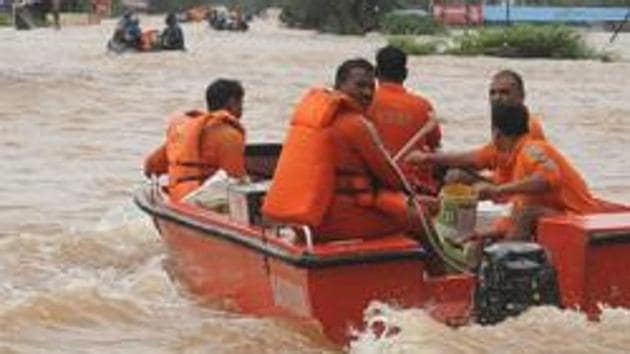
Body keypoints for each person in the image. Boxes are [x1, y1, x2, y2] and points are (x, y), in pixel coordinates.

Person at [410, 102, 628, 241]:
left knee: (527, 213)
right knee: (501, 226)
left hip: (580, 218)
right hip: (554, 215)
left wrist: (496, 190)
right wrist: (478, 235)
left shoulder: (533, 149)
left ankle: (503, 282)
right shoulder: (510, 154)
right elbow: (468, 158)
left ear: (496, 133)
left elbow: (546, 179)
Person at [263, 58, 425, 242]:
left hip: (302, 221)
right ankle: (443, 271)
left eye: (372, 87)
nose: (367, 93)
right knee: (420, 217)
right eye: (360, 85)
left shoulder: (311, 117)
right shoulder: (355, 124)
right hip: (338, 220)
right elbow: (393, 180)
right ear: (338, 86)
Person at [433, 70, 547, 189]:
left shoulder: (527, 126)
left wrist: (429, 158)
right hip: (502, 182)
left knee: (454, 175)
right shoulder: (502, 122)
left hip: (514, 189)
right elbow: (484, 157)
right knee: (443, 164)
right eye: (492, 93)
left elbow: (537, 178)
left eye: (504, 93)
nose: (496, 98)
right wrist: (431, 158)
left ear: (521, 96)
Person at [143, 79, 248, 201]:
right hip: (202, 207)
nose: (242, 109)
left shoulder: (184, 130)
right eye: (241, 103)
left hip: (177, 201)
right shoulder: (230, 136)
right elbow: (237, 182)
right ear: (232, 102)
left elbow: (150, 167)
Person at [367, 45, 442, 195]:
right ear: (405, 74)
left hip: (373, 181)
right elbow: (434, 144)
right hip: (414, 184)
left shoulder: (364, 102)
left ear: (375, 72)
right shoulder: (423, 105)